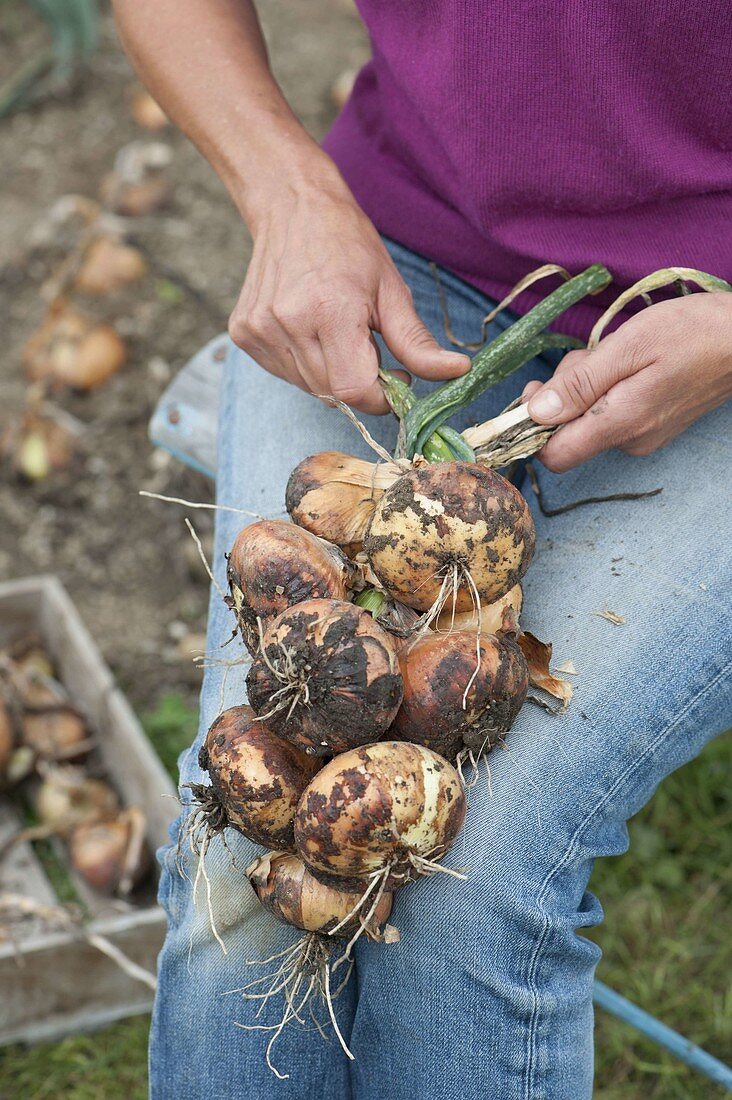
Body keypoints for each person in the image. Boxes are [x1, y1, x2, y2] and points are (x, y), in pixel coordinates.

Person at [112, 2, 732, 1097]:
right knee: (241, 868)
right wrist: (285, 189)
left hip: (713, 316)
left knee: (473, 884)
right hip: (403, 253)